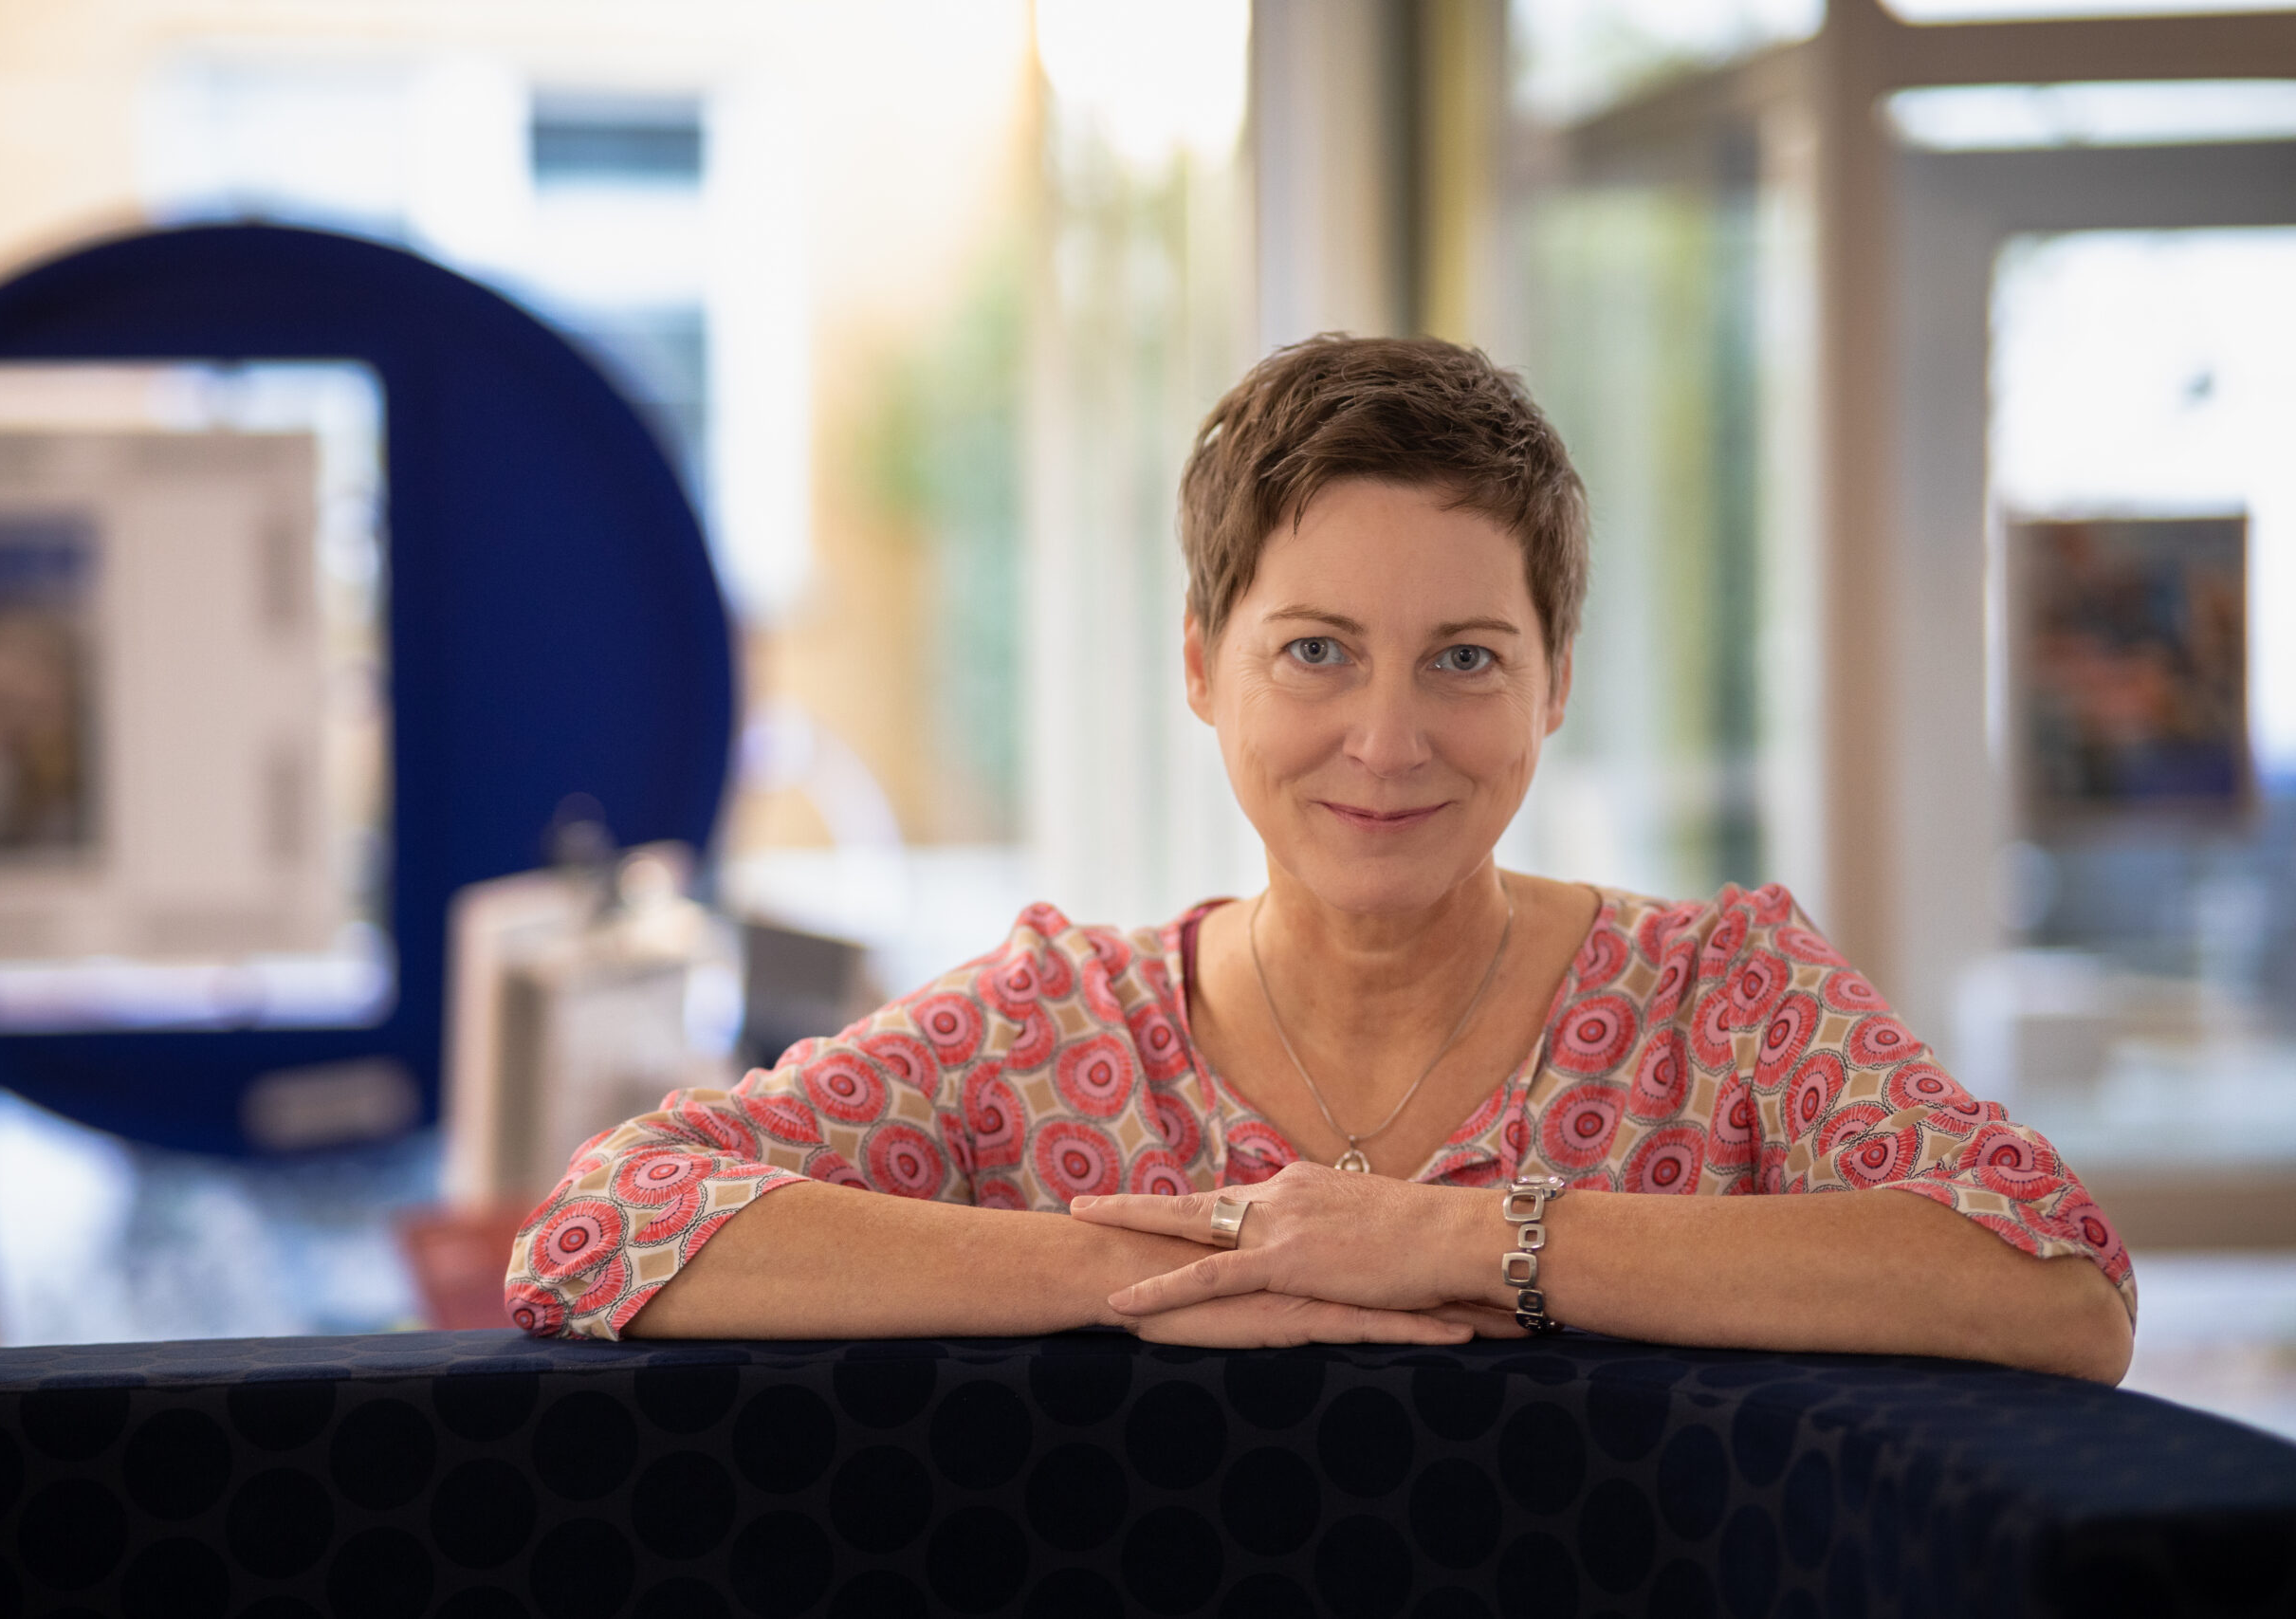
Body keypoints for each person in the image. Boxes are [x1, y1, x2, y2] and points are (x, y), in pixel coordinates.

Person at [505, 336, 2134, 1383]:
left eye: (1466, 658)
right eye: (1316, 652)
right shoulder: (1049, 1029)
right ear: (1201, 665)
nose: (1387, 738)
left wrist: (1457, 1240)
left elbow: (2058, 1280)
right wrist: (1153, 1260)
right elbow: (598, 1228)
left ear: (1558, 682)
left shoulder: (1725, 1001)